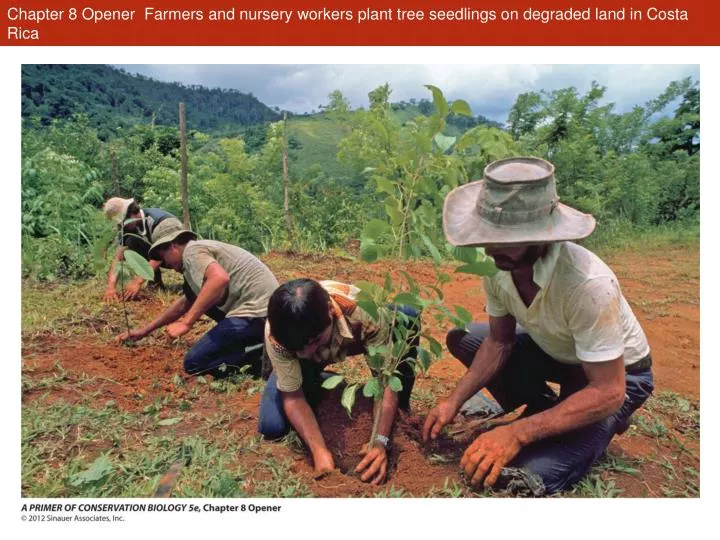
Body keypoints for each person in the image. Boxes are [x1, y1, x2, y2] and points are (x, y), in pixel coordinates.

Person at [423, 156, 653, 496]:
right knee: (467, 338)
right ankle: (550, 410)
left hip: (614, 376)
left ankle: (599, 423)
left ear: (540, 236)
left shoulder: (587, 284)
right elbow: (499, 343)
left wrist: (517, 433)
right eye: (488, 237)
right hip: (559, 352)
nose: (489, 250)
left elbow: (608, 389)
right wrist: (452, 402)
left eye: (503, 240)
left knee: (522, 477)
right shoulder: (503, 268)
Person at [258, 279, 419, 485]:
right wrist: (320, 453)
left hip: (357, 333)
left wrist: (380, 442)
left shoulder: (365, 312)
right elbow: (293, 397)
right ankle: (320, 382)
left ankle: (402, 408)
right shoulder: (277, 334)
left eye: (314, 341)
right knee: (272, 425)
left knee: (407, 315)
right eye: (297, 349)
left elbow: (384, 382)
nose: (306, 353)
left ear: (330, 313)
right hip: (299, 362)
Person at [117, 219, 279, 378]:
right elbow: (184, 303)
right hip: (264, 314)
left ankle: (260, 356)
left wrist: (186, 323)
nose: (165, 263)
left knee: (195, 363)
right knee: (202, 301)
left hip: (257, 313)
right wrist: (144, 331)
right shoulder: (195, 259)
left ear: (173, 246)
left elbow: (219, 279)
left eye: (163, 256)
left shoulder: (191, 252)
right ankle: (259, 345)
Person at [102, 197, 180, 302]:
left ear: (133, 212)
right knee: (131, 241)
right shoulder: (128, 229)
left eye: (124, 222)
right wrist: (111, 287)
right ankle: (155, 282)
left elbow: (161, 254)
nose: (122, 227)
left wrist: (137, 282)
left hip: (179, 255)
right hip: (160, 255)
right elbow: (118, 259)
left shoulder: (161, 221)